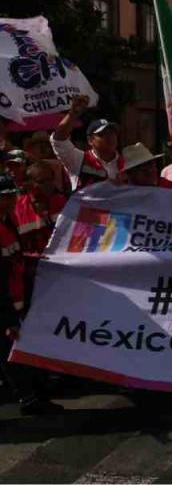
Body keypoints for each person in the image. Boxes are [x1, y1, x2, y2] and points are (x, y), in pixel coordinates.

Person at [0, 174, 62, 416]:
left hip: (17, 302)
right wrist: (8, 319)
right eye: (3, 197)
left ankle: (31, 395)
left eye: (11, 196)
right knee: (12, 357)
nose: (9, 201)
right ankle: (29, 398)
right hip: (6, 307)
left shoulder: (8, 222)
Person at [12, 162, 66, 312]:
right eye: (43, 181)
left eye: (51, 180)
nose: (49, 185)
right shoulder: (17, 209)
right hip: (31, 275)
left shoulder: (62, 202)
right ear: (29, 184)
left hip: (60, 270)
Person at [51, 94, 122, 190]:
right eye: (101, 135)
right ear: (90, 141)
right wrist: (73, 114)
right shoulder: (77, 159)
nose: (109, 137)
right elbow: (58, 140)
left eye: (112, 133)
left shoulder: (129, 162)